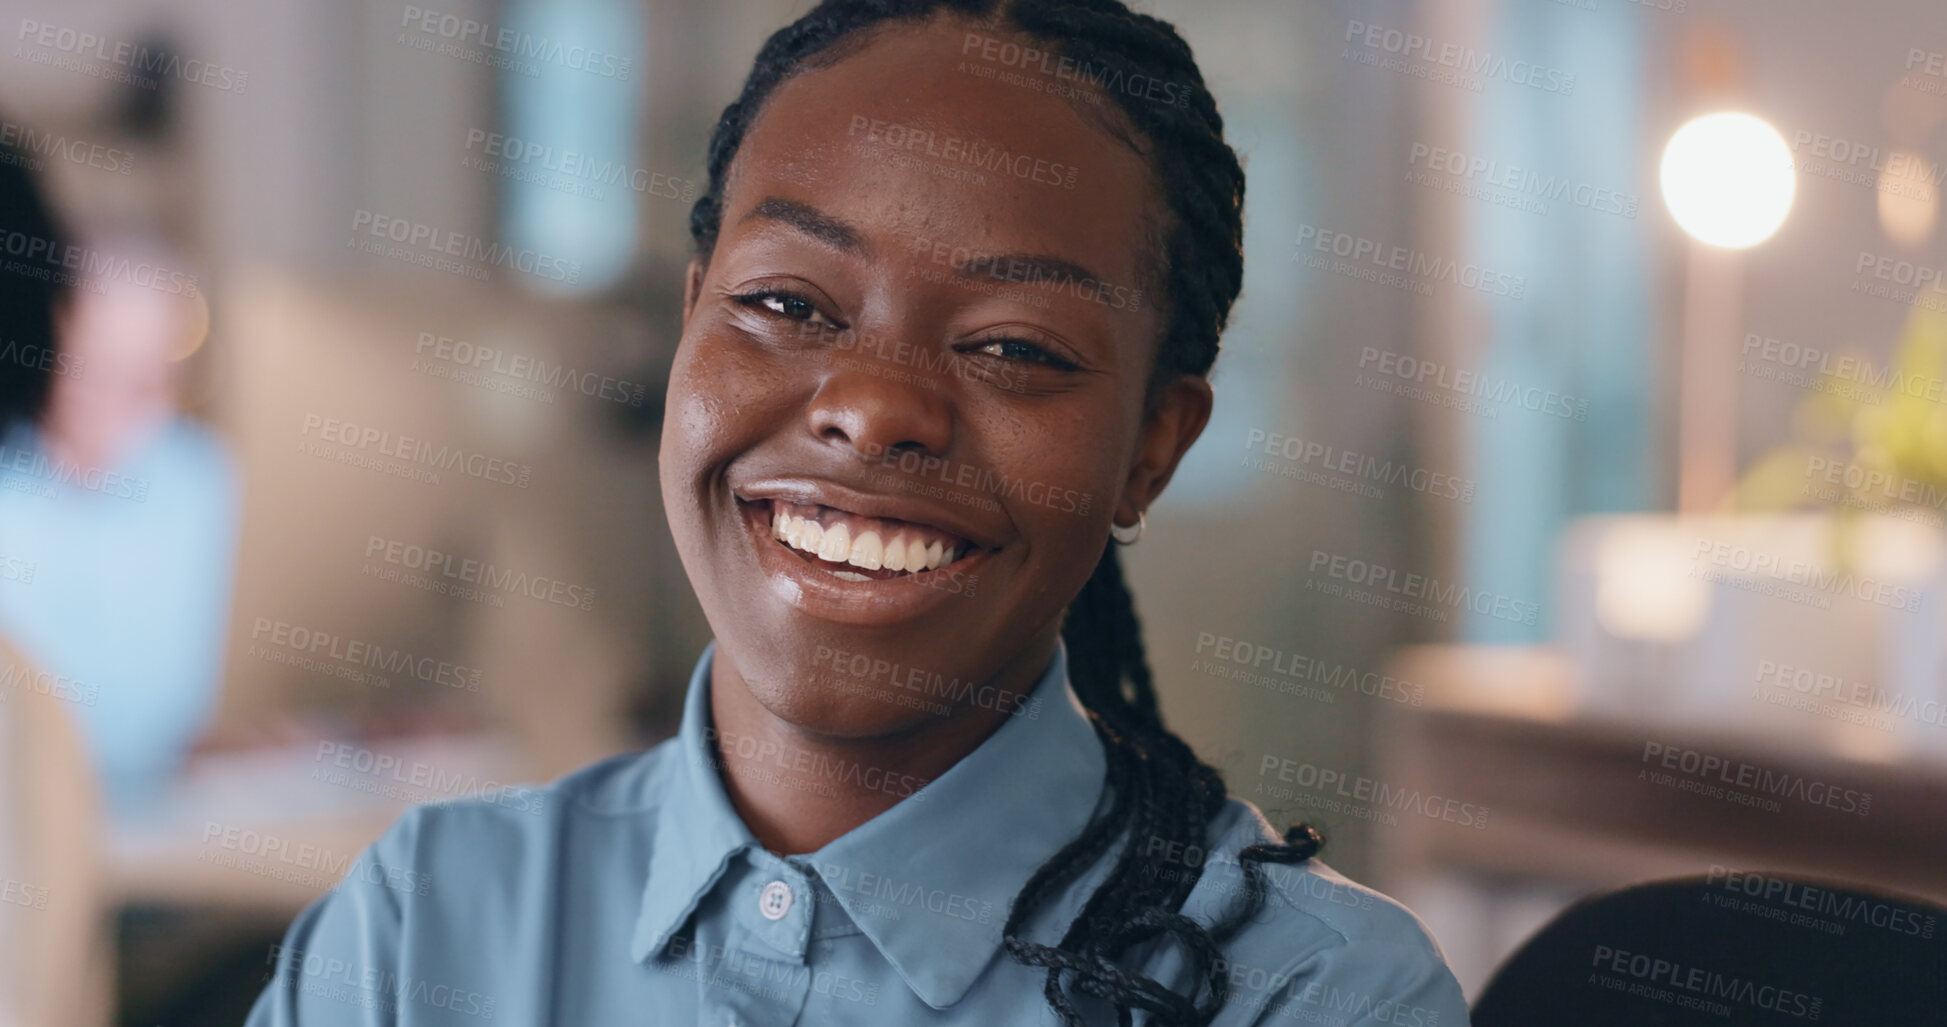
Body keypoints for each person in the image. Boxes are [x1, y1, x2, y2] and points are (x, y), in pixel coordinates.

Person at [248, 2, 1469, 1024]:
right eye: (787, 301)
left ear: (1154, 443)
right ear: (690, 319)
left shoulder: (1311, 995)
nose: (875, 406)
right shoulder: (423, 926)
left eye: (1012, 345)